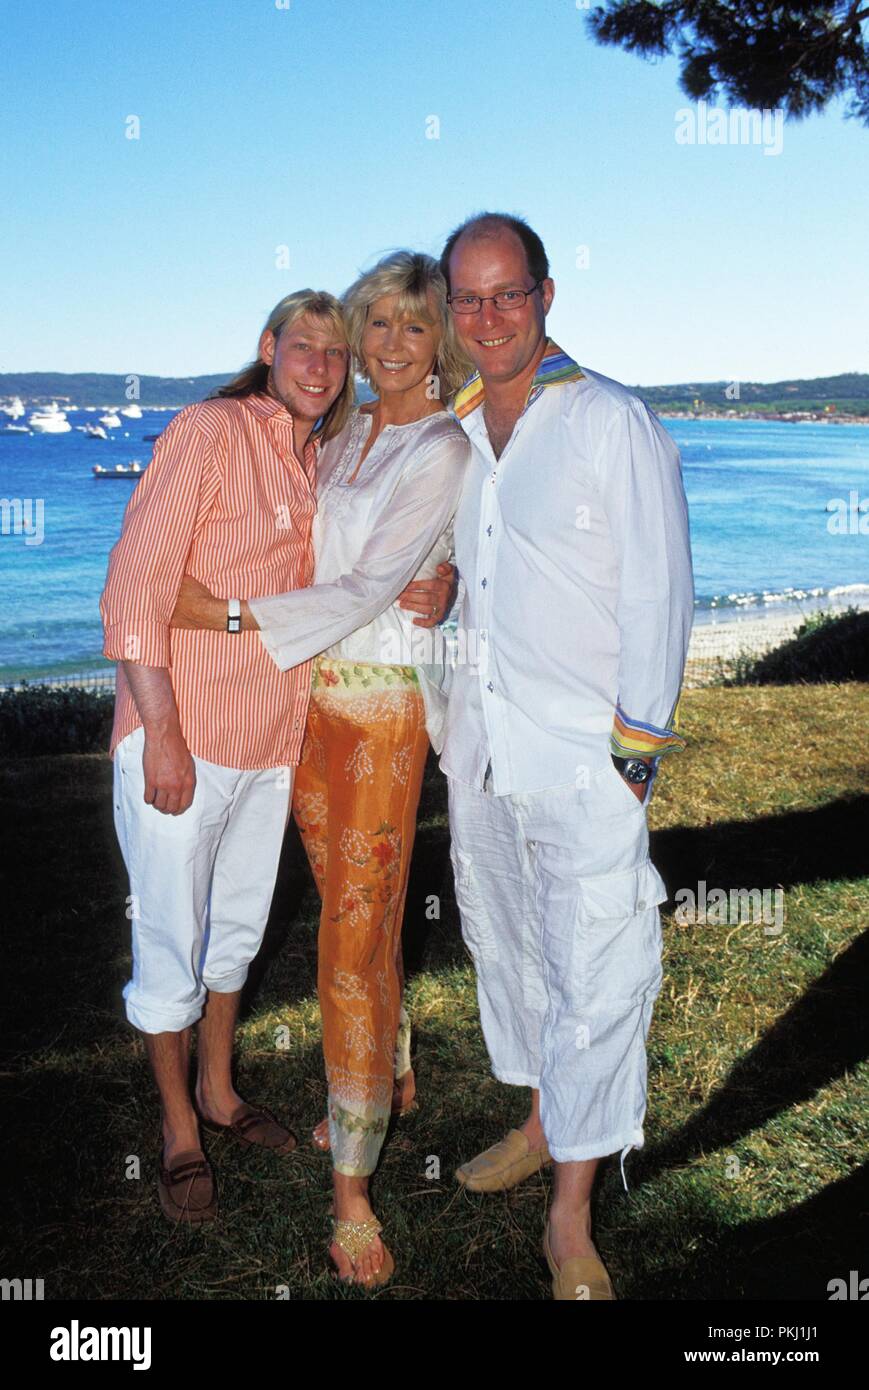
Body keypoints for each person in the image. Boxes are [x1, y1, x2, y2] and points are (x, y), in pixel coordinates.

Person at [169, 251, 471, 1284]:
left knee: (349, 937)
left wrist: (225, 614)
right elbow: (290, 542)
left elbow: (370, 582)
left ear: (440, 343)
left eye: (411, 329)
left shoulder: (439, 446)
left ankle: (352, 1185)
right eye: (372, 326)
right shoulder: (338, 437)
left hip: (379, 715)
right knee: (358, 910)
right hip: (304, 708)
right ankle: (386, 1066)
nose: (386, 347)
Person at [437, 213, 694, 1300]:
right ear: (450, 311)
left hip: (585, 755)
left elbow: (659, 589)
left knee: (593, 969)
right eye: (467, 298)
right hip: (483, 751)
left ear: (544, 297)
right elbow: (470, 576)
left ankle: (571, 1213)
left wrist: (632, 752)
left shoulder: (608, 422)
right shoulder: (451, 433)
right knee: (512, 949)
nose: (487, 317)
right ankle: (543, 1120)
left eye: (507, 294)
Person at [99, 289, 353, 1225]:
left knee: (235, 929)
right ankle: (177, 1128)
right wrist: (161, 733)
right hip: (187, 737)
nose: (320, 366)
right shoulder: (210, 431)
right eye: (305, 346)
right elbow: (132, 590)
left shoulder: (319, 457)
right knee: (170, 937)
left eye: (335, 353)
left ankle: (219, 1089)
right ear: (268, 348)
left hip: (270, 740)